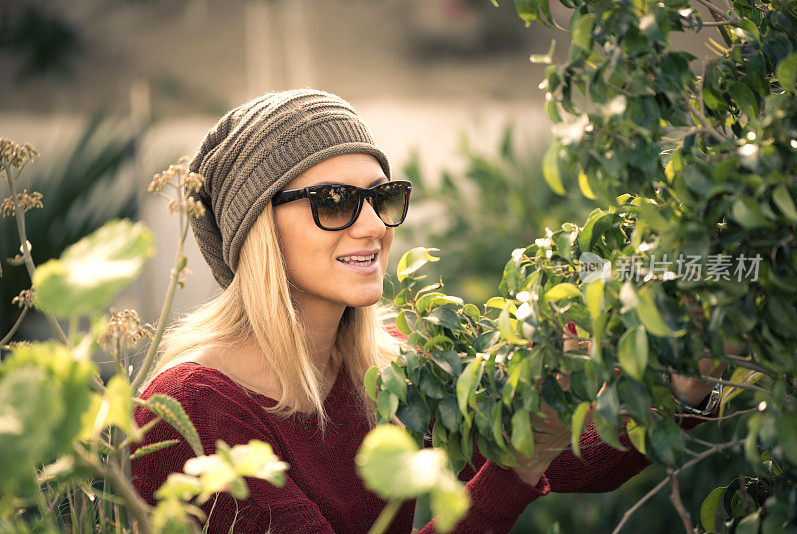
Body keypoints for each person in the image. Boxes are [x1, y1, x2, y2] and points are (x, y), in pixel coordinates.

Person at [129, 88, 722, 533]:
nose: (372, 226)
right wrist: (513, 472)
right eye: (333, 202)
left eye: (382, 197)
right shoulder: (189, 411)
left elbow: (567, 460)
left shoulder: (390, 365)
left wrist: (680, 386)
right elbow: (519, 467)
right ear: (258, 229)